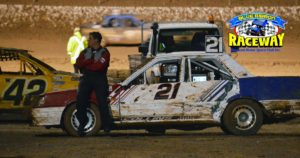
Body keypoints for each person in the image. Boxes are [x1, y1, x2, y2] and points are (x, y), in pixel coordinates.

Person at [75, 32, 112, 136]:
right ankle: (82, 124)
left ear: (96, 40)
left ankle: (106, 127)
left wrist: (86, 64)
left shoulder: (105, 52)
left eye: (90, 38)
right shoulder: (85, 51)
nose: (88, 40)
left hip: (99, 79)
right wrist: (90, 62)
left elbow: (99, 66)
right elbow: (78, 63)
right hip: (86, 79)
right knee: (80, 100)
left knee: (102, 103)